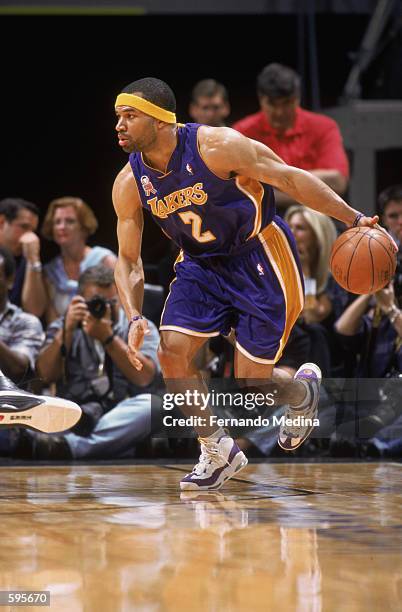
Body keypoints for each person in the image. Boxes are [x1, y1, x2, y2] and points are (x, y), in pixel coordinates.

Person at [113, 77, 381, 492]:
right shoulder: (130, 182)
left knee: (251, 382)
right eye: (118, 117)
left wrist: (353, 218)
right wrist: (131, 313)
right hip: (200, 265)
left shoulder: (217, 146)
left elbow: (290, 179)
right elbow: (128, 260)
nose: (120, 125)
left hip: (257, 254)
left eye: (130, 116)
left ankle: (300, 393)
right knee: (171, 353)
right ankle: (217, 449)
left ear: (161, 120)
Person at [33, 265, 160, 459]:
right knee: (43, 410)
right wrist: (64, 333)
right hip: (76, 415)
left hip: (119, 413)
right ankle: (121, 447)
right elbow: (45, 375)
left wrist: (108, 339)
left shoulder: (139, 327)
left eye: (111, 302)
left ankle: (72, 447)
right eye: (96, 302)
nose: (104, 308)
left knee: (151, 406)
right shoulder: (64, 326)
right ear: (79, 301)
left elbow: (145, 377)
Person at [232, 63, 349, 210]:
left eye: (287, 103)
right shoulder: (242, 132)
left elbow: (337, 182)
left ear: (297, 98)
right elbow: (237, 190)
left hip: (315, 217)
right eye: (273, 104)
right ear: (261, 99)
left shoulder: (323, 126)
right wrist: (307, 188)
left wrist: (271, 184)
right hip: (264, 217)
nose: (280, 112)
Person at [40, 196, 117, 322]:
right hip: (66, 336)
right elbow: (52, 323)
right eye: (57, 222)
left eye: (69, 221)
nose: (61, 227)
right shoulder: (50, 272)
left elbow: (120, 308)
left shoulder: (106, 261)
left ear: (84, 227)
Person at [0, 198, 47, 317]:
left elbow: (34, 312)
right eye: (24, 227)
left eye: (33, 231)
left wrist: (33, 261)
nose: (30, 236)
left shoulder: (26, 260)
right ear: (2, 222)